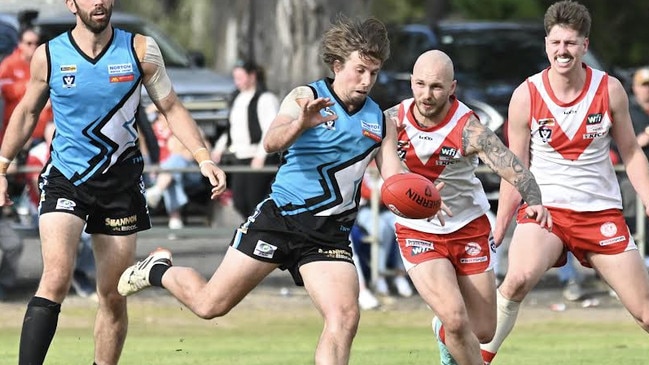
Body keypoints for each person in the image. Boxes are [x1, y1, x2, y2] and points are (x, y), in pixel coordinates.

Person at [118, 16, 406, 365]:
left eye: (373, 73)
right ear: (337, 64)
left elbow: (396, 182)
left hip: (329, 236)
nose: (367, 80)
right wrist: (301, 122)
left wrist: (423, 200)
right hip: (280, 219)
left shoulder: (380, 121)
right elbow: (271, 141)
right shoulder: (307, 96)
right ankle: (157, 269)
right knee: (210, 305)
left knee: (344, 318)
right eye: (360, 70)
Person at [0, 1, 226, 364]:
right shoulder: (49, 55)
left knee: (113, 292)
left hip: (120, 183)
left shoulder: (140, 49)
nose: (100, 2)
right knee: (56, 277)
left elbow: (171, 107)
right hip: (67, 178)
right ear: (71, 4)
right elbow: (27, 112)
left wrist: (203, 157)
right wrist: (2, 164)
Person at [479, 2, 649, 364]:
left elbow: (632, 153)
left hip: (599, 211)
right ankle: (473, 358)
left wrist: (648, 196)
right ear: (546, 44)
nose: (562, 51)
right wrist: (501, 224)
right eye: (556, 42)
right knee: (518, 278)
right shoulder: (527, 95)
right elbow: (516, 166)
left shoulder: (610, 89)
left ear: (584, 46)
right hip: (546, 211)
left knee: (644, 313)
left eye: (570, 43)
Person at [384, 49, 549, 365]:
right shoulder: (392, 121)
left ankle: (443, 329)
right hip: (418, 231)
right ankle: (451, 327)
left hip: (468, 227)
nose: (426, 95)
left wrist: (535, 201)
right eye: (419, 84)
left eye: (436, 87)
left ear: (452, 87)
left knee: (484, 330)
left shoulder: (469, 129)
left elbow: (514, 168)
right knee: (457, 319)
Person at [23, 122, 97, 299]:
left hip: (75, 205)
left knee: (91, 233)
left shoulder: (76, 151)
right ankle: (58, 280)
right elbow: (39, 188)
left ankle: (79, 273)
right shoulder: (37, 154)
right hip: (40, 209)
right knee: (61, 240)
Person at [211, 60, 280, 218]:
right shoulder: (237, 98)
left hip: (257, 156)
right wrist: (219, 148)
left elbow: (270, 129)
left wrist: (260, 156)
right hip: (240, 156)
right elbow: (232, 128)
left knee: (254, 200)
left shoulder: (266, 99)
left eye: (240, 77)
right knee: (239, 201)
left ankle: (260, 234)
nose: (237, 82)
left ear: (252, 76)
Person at [145, 107, 210, 231]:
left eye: (164, 112)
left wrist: (185, 153)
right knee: (171, 176)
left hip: (189, 171)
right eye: (158, 113)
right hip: (160, 173)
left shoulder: (185, 127)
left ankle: (158, 191)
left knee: (175, 161)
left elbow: (205, 148)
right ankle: (174, 219)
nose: (161, 116)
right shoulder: (152, 130)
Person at [0, 26, 52, 145]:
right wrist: (26, 86)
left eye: (36, 43)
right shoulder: (10, 64)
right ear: (20, 44)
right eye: (29, 43)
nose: (33, 46)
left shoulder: (44, 62)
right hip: (18, 128)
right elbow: (2, 89)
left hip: (43, 127)